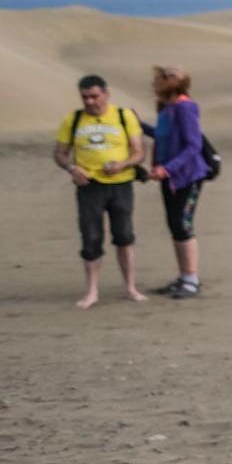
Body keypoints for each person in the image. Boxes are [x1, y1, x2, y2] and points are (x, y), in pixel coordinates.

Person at [54, 75, 149, 308]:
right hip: (89, 187)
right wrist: (72, 168)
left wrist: (123, 164)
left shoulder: (123, 116)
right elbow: (59, 153)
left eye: (94, 96)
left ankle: (130, 287)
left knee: (124, 236)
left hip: (120, 184)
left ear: (106, 95)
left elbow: (139, 152)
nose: (89, 101)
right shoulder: (73, 119)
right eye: (85, 97)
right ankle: (92, 291)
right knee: (91, 238)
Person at [147, 65, 210, 299]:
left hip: (188, 177)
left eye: (169, 76)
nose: (161, 80)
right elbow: (163, 136)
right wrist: (137, 125)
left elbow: (194, 146)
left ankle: (191, 279)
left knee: (183, 226)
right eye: (162, 76)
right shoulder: (167, 108)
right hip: (170, 178)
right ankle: (184, 276)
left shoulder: (185, 107)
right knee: (175, 225)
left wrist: (167, 168)